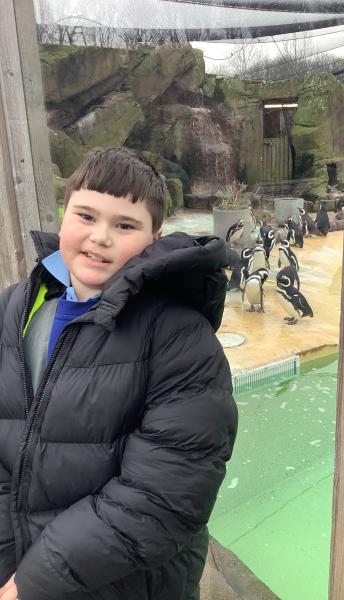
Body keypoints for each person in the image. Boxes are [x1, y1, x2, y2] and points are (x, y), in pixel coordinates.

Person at [0, 147, 238, 600]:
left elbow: (165, 496)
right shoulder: (15, 307)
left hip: (123, 583)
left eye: (125, 226)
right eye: (86, 216)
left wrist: (34, 580)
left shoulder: (180, 337)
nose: (100, 237)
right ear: (63, 215)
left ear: (154, 239)